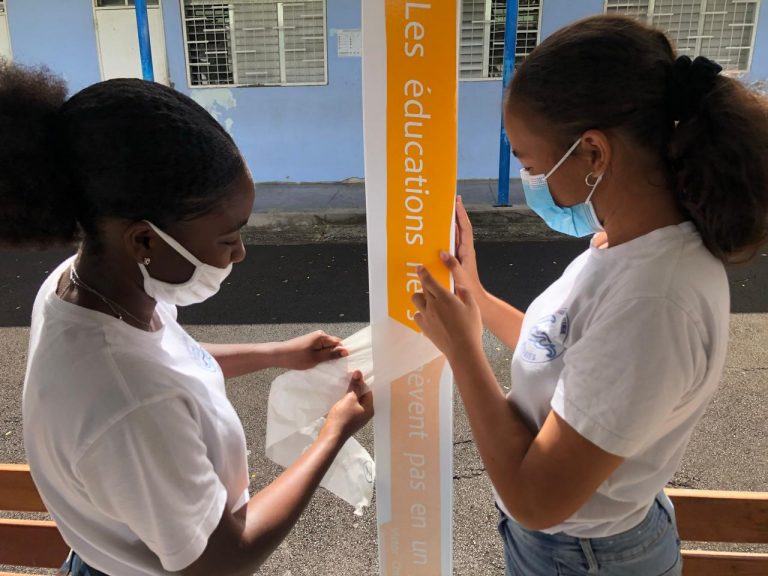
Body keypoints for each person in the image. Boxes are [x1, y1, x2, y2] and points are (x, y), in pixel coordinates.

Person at [411, 14, 768, 576]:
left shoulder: (654, 303)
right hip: (577, 549)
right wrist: (475, 296)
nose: (533, 181)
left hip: (585, 558)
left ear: (594, 154)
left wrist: (463, 352)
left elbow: (536, 499)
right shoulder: (624, 244)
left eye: (532, 164)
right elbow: (563, 351)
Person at [0, 61, 373, 576]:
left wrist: (277, 354)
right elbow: (221, 560)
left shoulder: (85, 285)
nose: (240, 253)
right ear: (145, 240)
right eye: (228, 237)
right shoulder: (131, 402)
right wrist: (333, 433)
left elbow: (173, 361)